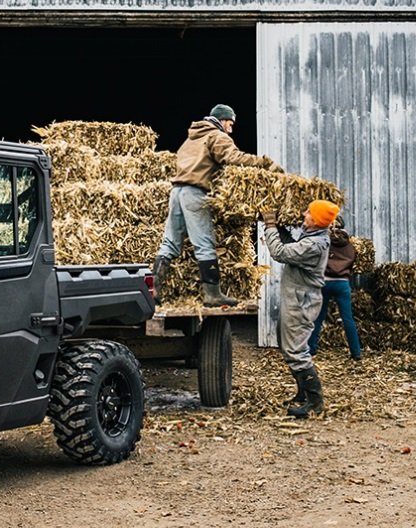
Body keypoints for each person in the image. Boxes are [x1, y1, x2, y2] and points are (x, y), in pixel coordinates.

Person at [154, 104, 284, 307]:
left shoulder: (191, 139)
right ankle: (212, 294)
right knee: (204, 244)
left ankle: (154, 290)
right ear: (222, 120)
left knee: (169, 243)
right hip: (194, 192)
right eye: (230, 123)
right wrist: (265, 163)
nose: (230, 129)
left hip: (176, 191)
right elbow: (233, 157)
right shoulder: (217, 136)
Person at [259, 199, 339, 419]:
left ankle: (315, 402)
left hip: (301, 302)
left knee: (295, 350)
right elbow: (288, 246)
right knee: (288, 346)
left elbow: (279, 253)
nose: (304, 214)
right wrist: (280, 228)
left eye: (309, 213)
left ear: (317, 220)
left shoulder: (314, 245)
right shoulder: (311, 236)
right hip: (297, 298)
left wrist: (270, 225)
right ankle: (303, 393)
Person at [309, 224, 363, 361]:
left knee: (319, 316)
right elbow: (354, 264)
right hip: (342, 283)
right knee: (347, 318)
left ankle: (311, 349)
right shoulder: (350, 246)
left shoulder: (325, 242)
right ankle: (356, 352)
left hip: (325, 282)